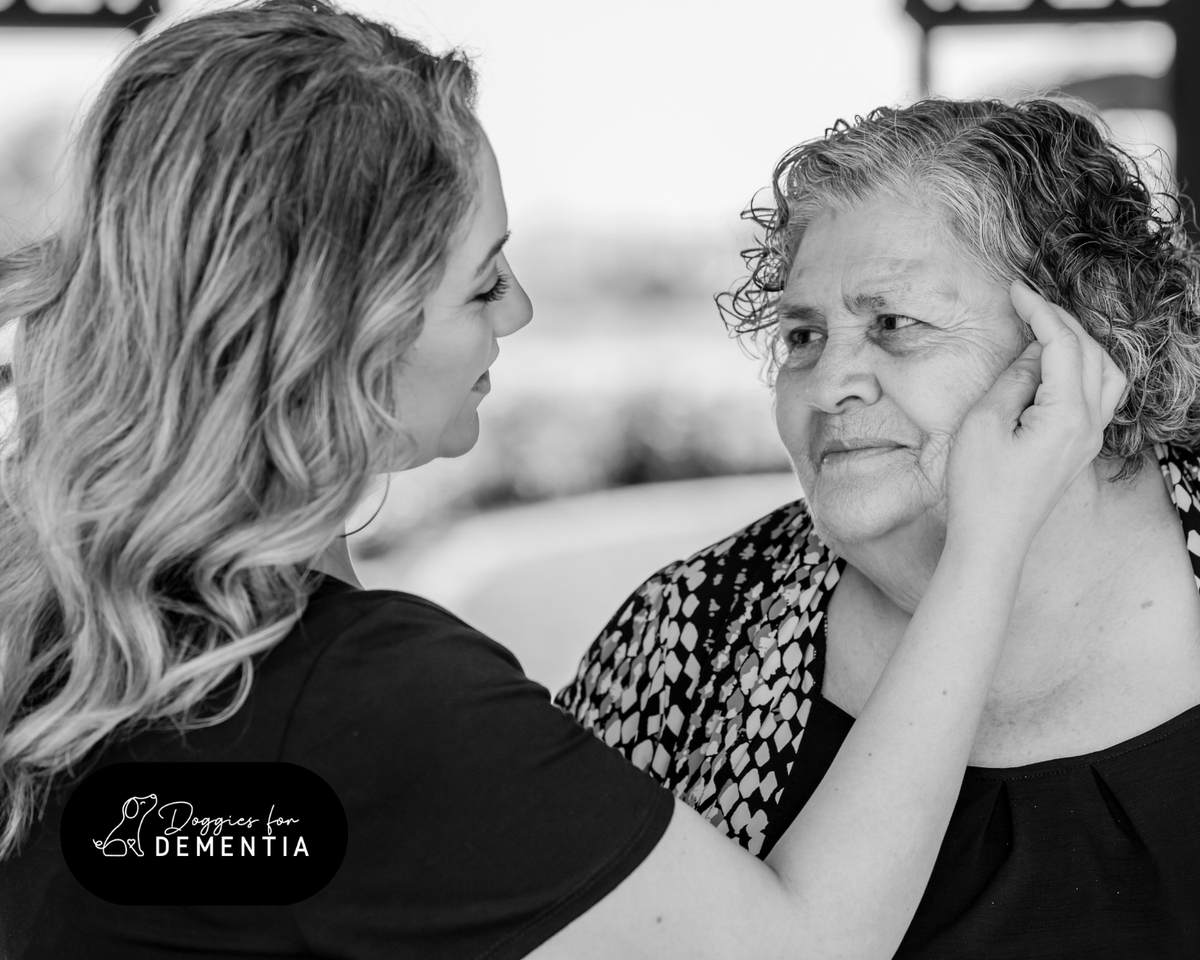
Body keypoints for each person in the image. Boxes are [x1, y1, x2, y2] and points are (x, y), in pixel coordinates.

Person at [0, 10, 1122, 959]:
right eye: (482, 281)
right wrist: (988, 543)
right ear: (347, 328)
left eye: (899, 324)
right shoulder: (374, 702)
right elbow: (807, 946)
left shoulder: (75, 627)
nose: (522, 309)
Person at [559, 97, 1200, 958]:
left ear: (1087, 332)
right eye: (803, 336)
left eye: (894, 324)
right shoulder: (687, 634)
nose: (828, 385)